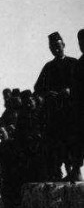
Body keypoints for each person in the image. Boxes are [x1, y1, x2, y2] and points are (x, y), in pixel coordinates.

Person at [34, 32, 78, 179]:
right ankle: (61, 172)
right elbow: (38, 88)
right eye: (53, 47)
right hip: (56, 112)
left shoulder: (74, 63)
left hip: (71, 111)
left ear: (63, 45)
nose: (56, 49)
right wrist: (48, 94)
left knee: (72, 141)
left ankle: (73, 171)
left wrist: (70, 90)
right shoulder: (49, 67)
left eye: (58, 46)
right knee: (58, 142)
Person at [0, 125, 23, 208]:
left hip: (14, 179)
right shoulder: (0, 147)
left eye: (2, 132)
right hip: (6, 179)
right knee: (8, 204)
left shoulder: (14, 145)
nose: (0, 134)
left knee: (15, 203)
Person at [69, 29, 84, 181]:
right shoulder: (79, 64)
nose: (82, 45)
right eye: (80, 43)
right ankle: (76, 169)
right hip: (80, 108)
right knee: (78, 138)